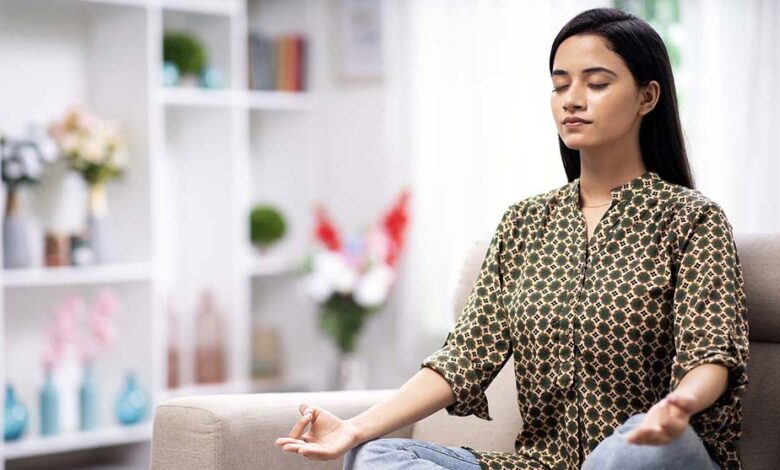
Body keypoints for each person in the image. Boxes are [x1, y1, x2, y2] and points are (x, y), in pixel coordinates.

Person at [274, 7, 749, 470]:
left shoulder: (692, 219)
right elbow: (463, 357)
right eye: (560, 85)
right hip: (542, 463)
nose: (572, 99)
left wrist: (679, 405)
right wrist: (354, 428)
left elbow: (711, 354)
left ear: (647, 97)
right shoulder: (525, 223)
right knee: (375, 455)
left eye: (596, 83)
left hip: (657, 453)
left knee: (637, 446)